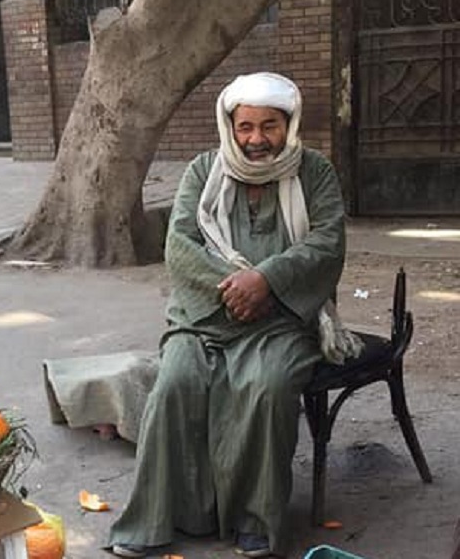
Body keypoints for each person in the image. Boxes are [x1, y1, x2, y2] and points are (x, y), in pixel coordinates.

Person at [106, 72, 362, 558]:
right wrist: (234, 290)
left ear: (289, 125)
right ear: (230, 126)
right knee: (175, 384)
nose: (256, 139)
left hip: (283, 320)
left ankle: (255, 521)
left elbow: (327, 242)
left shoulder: (315, 173)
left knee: (264, 386)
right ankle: (161, 518)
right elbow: (179, 245)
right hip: (203, 318)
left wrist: (266, 280)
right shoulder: (204, 170)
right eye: (245, 127)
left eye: (270, 126)